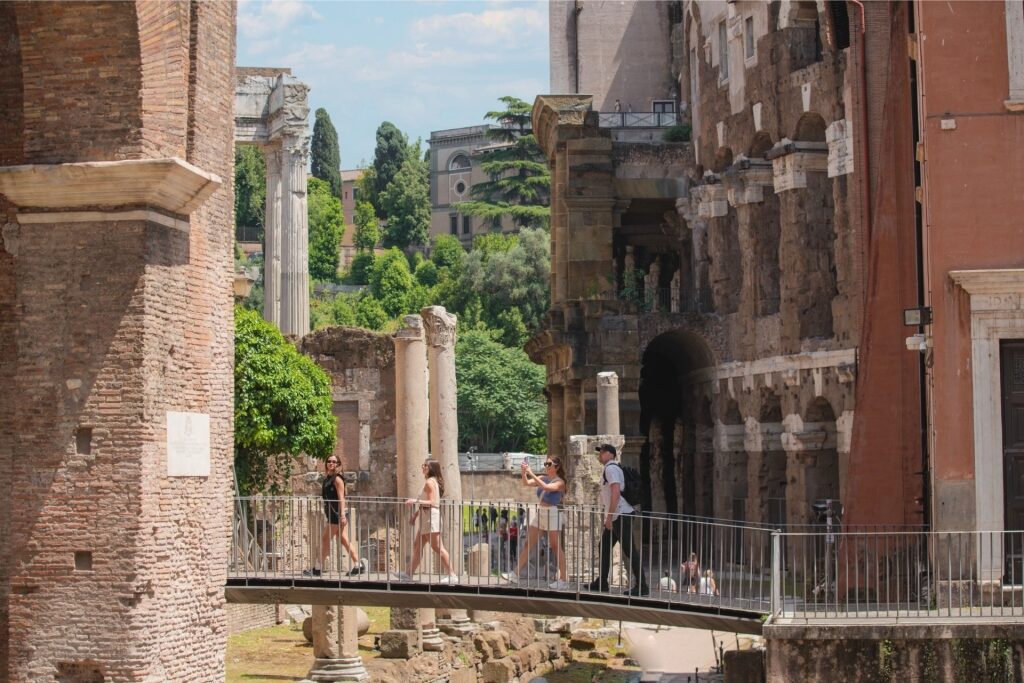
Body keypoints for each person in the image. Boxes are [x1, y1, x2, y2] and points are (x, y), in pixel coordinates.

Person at [587, 444, 649, 596]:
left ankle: (642, 586)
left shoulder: (611, 468)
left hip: (621, 515)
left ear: (610, 454)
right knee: (604, 546)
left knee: (630, 551)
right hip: (618, 515)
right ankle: (601, 582)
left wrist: (609, 516)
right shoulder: (611, 468)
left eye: (602, 452)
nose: (599, 455)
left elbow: (615, 493)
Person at [504, 456, 571, 590]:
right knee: (529, 543)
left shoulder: (560, 482)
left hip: (552, 513)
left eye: (549, 464)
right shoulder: (543, 477)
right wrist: (524, 472)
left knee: (556, 546)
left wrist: (531, 472)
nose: (546, 466)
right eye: (545, 463)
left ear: (556, 467)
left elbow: (546, 487)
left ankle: (564, 579)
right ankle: (515, 574)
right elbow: (526, 483)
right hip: (541, 513)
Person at [304, 456, 366, 577]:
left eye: (334, 462)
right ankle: (359, 564)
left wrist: (342, 515)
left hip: (336, 514)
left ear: (338, 464)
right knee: (344, 540)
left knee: (325, 538)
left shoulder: (337, 479)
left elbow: (342, 498)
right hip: (332, 512)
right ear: (326, 463)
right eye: (329, 461)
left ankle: (318, 568)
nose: (331, 463)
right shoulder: (328, 478)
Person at [404, 459, 458, 584]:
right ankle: (408, 574)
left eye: (425, 466)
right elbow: (426, 502)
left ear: (431, 468)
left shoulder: (429, 482)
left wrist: (415, 501)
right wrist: (416, 515)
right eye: (423, 465)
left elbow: (432, 502)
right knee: (417, 545)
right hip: (426, 517)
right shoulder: (430, 481)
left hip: (430, 518)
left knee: (437, 547)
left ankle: (452, 574)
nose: (422, 467)